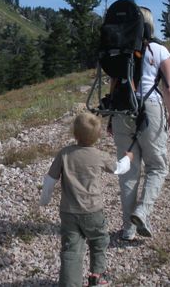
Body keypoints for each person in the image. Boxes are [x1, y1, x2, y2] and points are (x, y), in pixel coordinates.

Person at [40, 112, 132, 287]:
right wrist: (128, 157)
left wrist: (44, 200)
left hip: (68, 212)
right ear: (98, 136)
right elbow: (119, 169)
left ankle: (69, 283)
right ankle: (96, 277)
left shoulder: (64, 154)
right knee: (99, 241)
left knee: (71, 250)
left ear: (74, 134)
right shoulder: (99, 155)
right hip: (93, 211)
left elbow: (50, 179)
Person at [110, 7, 170, 241]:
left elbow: (114, 85)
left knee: (128, 171)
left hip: (121, 109)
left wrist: (110, 118)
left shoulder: (120, 50)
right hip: (151, 109)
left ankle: (128, 229)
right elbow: (168, 87)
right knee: (157, 166)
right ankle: (143, 211)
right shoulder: (159, 50)